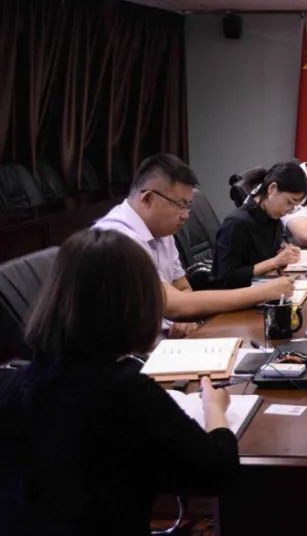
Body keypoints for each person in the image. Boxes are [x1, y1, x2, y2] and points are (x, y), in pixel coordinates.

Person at [0, 229, 238, 534]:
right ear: (137, 304)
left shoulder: (12, 384)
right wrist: (215, 409)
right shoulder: (125, 390)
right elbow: (218, 474)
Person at [94, 154, 292, 331]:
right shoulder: (118, 239)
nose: (186, 216)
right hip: (131, 352)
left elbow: (182, 287)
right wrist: (262, 292)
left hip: (167, 341)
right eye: (181, 205)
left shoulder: (162, 231)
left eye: (188, 207)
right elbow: (174, 305)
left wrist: (186, 319)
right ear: (147, 199)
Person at [212, 162, 307, 288]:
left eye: (294, 206)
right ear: (272, 189)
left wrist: (285, 250)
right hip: (241, 294)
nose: (289, 210)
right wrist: (275, 262)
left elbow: (272, 250)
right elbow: (224, 278)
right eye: (289, 203)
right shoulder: (236, 223)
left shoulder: (273, 216)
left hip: (267, 286)